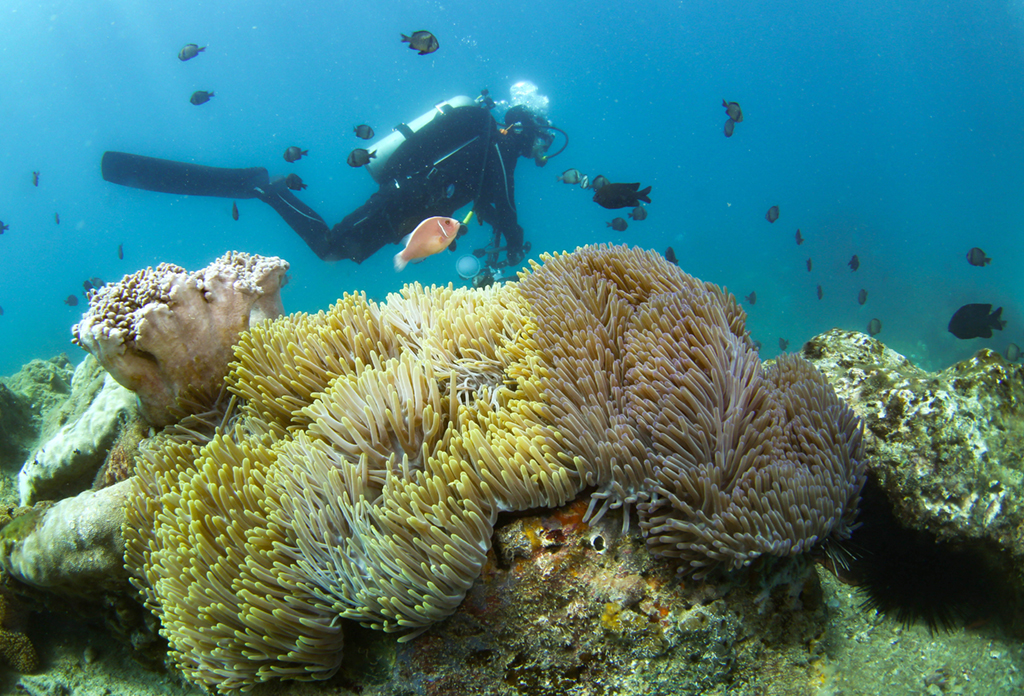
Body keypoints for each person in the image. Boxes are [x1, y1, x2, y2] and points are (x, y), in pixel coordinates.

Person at [101, 92, 558, 270]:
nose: (536, 154)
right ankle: (265, 188)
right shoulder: (492, 147)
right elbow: (504, 203)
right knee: (331, 248)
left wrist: (504, 232)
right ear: (521, 132)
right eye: (538, 144)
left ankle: (267, 189)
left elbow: (494, 202)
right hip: (401, 205)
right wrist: (514, 236)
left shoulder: (483, 144)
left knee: (335, 251)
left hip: (405, 207)